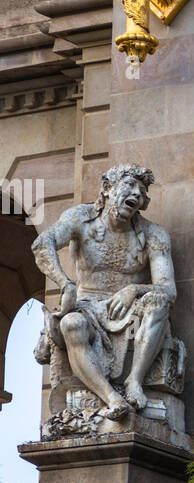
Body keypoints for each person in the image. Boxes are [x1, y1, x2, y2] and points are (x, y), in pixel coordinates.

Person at [32, 164, 176, 418]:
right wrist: (65, 283)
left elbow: (168, 289)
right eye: (129, 186)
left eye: (142, 192)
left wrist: (133, 290)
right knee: (71, 323)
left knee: (159, 301)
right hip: (87, 306)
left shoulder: (154, 235)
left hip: (129, 310)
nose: (137, 195)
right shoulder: (80, 219)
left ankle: (134, 381)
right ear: (108, 189)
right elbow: (43, 243)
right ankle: (111, 397)